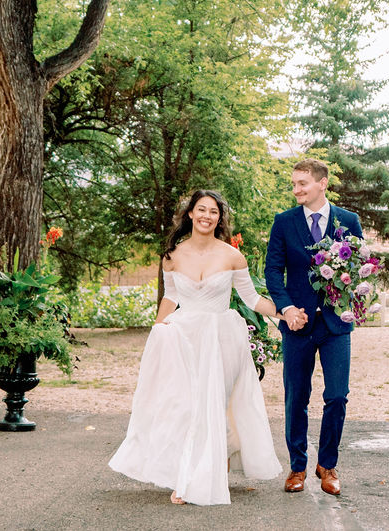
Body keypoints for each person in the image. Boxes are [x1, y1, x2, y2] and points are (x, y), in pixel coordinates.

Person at [109, 189, 295, 505]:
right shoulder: (172, 255)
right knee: (186, 406)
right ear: (191, 214)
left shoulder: (232, 255)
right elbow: (171, 297)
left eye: (213, 211)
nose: (207, 216)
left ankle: (202, 475)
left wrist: (286, 312)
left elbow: (252, 299)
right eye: (201, 209)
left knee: (213, 405)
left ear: (219, 218)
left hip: (222, 336)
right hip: (184, 336)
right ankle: (186, 476)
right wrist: (158, 329)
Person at [265, 159, 363, 497]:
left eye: (302, 183)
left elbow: (359, 267)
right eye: (293, 184)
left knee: (337, 396)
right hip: (297, 325)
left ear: (322, 183)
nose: (296, 189)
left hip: (336, 325)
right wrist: (287, 309)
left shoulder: (348, 221)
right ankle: (297, 467)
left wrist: (354, 304)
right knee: (297, 397)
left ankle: (328, 464)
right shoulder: (284, 222)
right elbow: (273, 272)